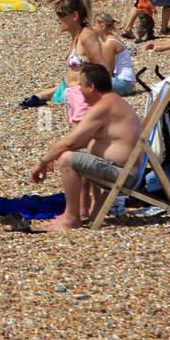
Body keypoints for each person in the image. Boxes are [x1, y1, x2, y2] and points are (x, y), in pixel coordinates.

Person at [30, 64, 143, 231]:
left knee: (67, 159)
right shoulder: (112, 101)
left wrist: (43, 162)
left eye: (81, 85)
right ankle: (81, 210)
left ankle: (71, 219)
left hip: (125, 175)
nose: (79, 89)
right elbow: (77, 141)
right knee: (75, 152)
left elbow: (69, 141)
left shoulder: (104, 106)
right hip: (124, 169)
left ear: (92, 87)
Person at [20, 0, 105, 123]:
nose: (57, 19)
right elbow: (72, 76)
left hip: (82, 99)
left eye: (61, 15)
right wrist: (42, 94)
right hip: (70, 95)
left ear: (75, 16)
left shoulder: (86, 36)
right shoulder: (76, 36)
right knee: (40, 121)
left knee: (47, 127)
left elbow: (103, 69)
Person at [91, 13, 137, 96]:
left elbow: (107, 70)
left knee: (88, 87)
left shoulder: (109, 44)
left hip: (123, 82)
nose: (92, 27)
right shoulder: (112, 39)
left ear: (102, 27)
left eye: (94, 24)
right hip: (128, 81)